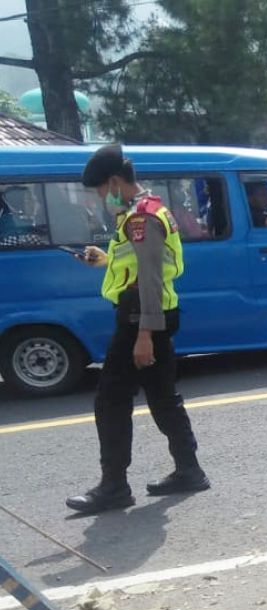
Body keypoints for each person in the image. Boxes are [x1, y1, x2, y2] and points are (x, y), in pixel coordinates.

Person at [66, 144, 209, 514]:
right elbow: (139, 264)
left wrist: (144, 333)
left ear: (114, 181)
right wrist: (103, 260)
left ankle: (114, 486)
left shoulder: (140, 218)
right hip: (154, 312)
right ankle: (189, 469)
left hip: (141, 316)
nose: (99, 197)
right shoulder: (143, 211)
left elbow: (149, 277)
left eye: (100, 189)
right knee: (162, 394)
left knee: (110, 400)